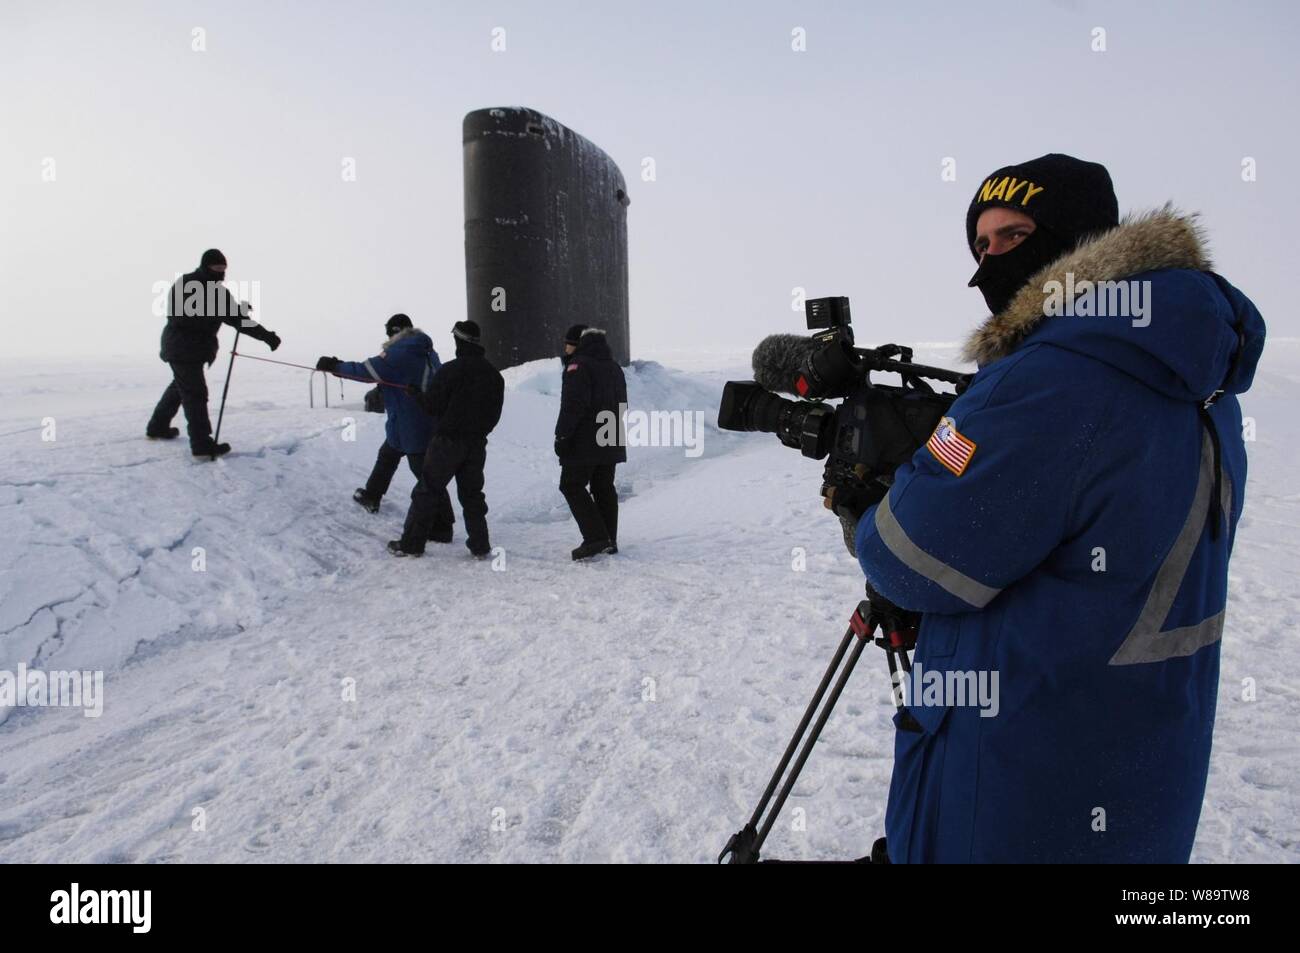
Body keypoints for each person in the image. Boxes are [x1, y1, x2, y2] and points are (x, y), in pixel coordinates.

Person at [832, 154, 1265, 863]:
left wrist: (876, 496)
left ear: (1079, 239)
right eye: (981, 243)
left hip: (1015, 786)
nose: (989, 262)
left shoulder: (1052, 377)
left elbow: (909, 561)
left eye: (1015, 234)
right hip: (1143, 772)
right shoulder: (1202, 380)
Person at [146, 249, 281, 458]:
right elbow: (179, 317)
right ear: (206, 266)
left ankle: (158, 427)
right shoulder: (187, 284)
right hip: (181, 347)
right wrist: (217, 311)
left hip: (194, 350)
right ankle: (201, 446)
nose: (221, 273)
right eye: (217, 268)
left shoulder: (219, 292)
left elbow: (238, 320)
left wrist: (267, 336)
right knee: (195, 394)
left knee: (180, 387)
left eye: (223, 269)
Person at [315, 314, 445, 529]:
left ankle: (442, 525)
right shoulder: (427, 350)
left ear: (395, 331)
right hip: (412, 420)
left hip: (412, 424)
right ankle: (372, 495)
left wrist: (335, 366)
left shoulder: (401, 351)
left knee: (425, 476)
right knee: (388, 455)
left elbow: (366, 371)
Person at [391, 320, 504, 559]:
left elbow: (432, 406)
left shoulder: (451, 370)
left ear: (458, 341)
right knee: (472, 494)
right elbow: (494, 416)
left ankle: (411, 544)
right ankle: (480, 545)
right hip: (476, 444)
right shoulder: (493, 375)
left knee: (427, 490)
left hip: (447, 442)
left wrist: (415, 395)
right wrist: (478, 433)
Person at [555, 326, 627, 560]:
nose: (565, 348)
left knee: (571, 485)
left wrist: (562, 436)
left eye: (567, 343)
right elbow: (622, 403)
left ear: (576, 344)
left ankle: (596, 538)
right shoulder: (614, 367)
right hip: (611, 435)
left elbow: (573, 405)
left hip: (586, 439)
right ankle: (609, 539)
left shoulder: (579, 366)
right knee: (603, 487)